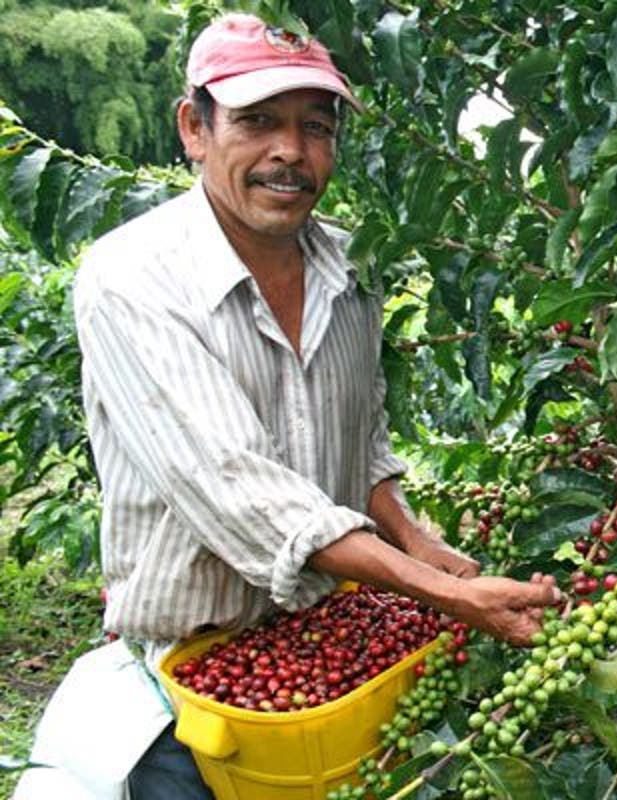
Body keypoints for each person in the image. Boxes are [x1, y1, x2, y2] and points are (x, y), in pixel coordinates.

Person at [14, 13, 559, 800]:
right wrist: (445, 597)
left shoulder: (352, 269)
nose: (290, 153)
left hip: (335, 665)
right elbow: (242, 493)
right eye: (258, 121)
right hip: (191, 686)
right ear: (194, 128)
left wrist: (420, 542)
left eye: (315, 127)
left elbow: (362, 454)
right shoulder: (133, 279)